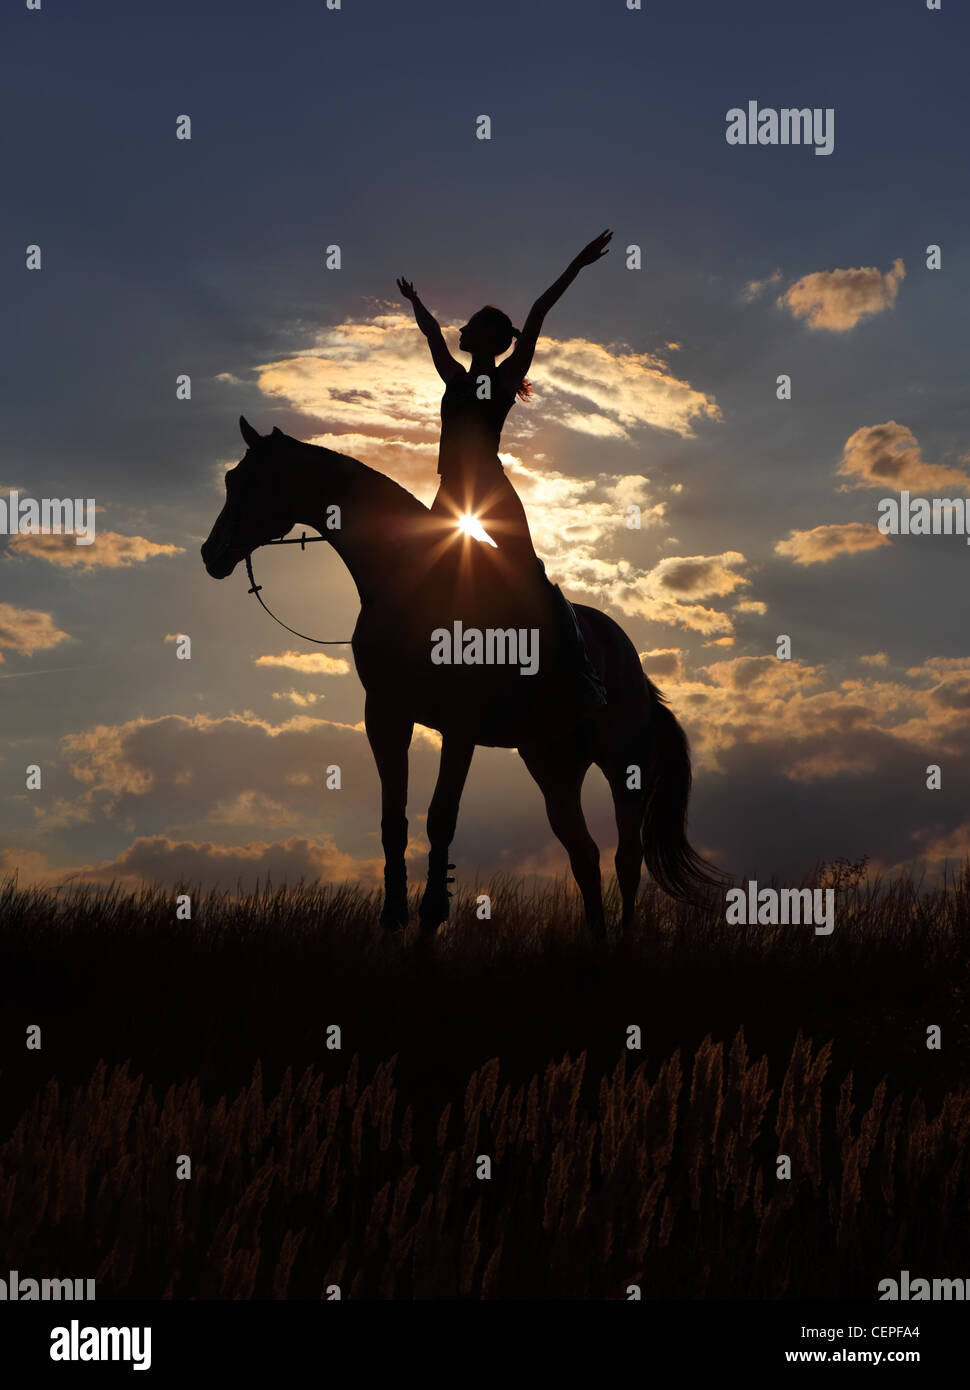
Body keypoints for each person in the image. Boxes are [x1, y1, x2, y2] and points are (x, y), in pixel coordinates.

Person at [397, 231, 611, 714]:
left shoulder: (506, 376)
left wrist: (577, 263)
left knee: (531, 576)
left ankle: (581, 670)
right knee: (418, 571)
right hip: (453, 493)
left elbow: (538, 311)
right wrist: (416, 301)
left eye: (470, 324)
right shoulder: (454, 377)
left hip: (489, 492)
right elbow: (431, 334)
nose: (461, 329)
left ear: (488, 338)